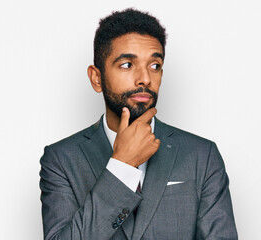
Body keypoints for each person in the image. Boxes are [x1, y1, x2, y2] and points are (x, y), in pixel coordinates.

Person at [39, 8, 238, 240]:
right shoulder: (61, 160)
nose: (145, 78)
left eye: (155, 65)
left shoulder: (202, 156)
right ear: (96, 78)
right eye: (127, 65)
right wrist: (122, 166)